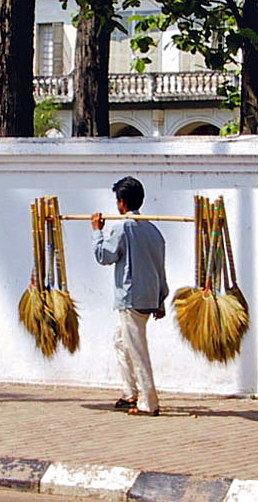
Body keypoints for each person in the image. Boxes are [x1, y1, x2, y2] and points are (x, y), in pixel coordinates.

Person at [91, 176, 168, 416]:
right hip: (149, 297)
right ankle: (130, 392)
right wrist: (161, 299)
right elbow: (160, 267)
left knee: (137, 349)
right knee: (120, 341)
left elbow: (104, 256)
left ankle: (149, 402)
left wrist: (97, 232)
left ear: (122, 202)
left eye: (117, 200)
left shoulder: (122, 227)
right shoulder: (153, 230)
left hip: (132, 298)